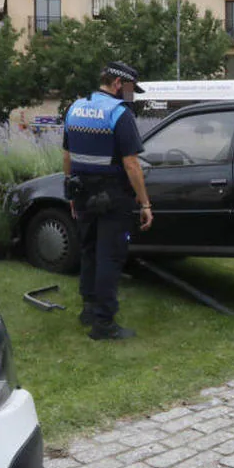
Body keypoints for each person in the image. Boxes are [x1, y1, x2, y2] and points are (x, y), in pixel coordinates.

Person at [63, 62, 154, 341]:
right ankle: (104, 323)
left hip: (81, 194)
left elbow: (67, 155)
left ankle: (88, 308)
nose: (131, 96)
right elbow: (132, 165)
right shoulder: (119, 113)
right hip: (113, 196)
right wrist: (145, 203)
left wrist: (70, 192)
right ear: (117, 83)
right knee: (109, 257)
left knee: (89, 250)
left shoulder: (75, 108)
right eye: (129, 90)